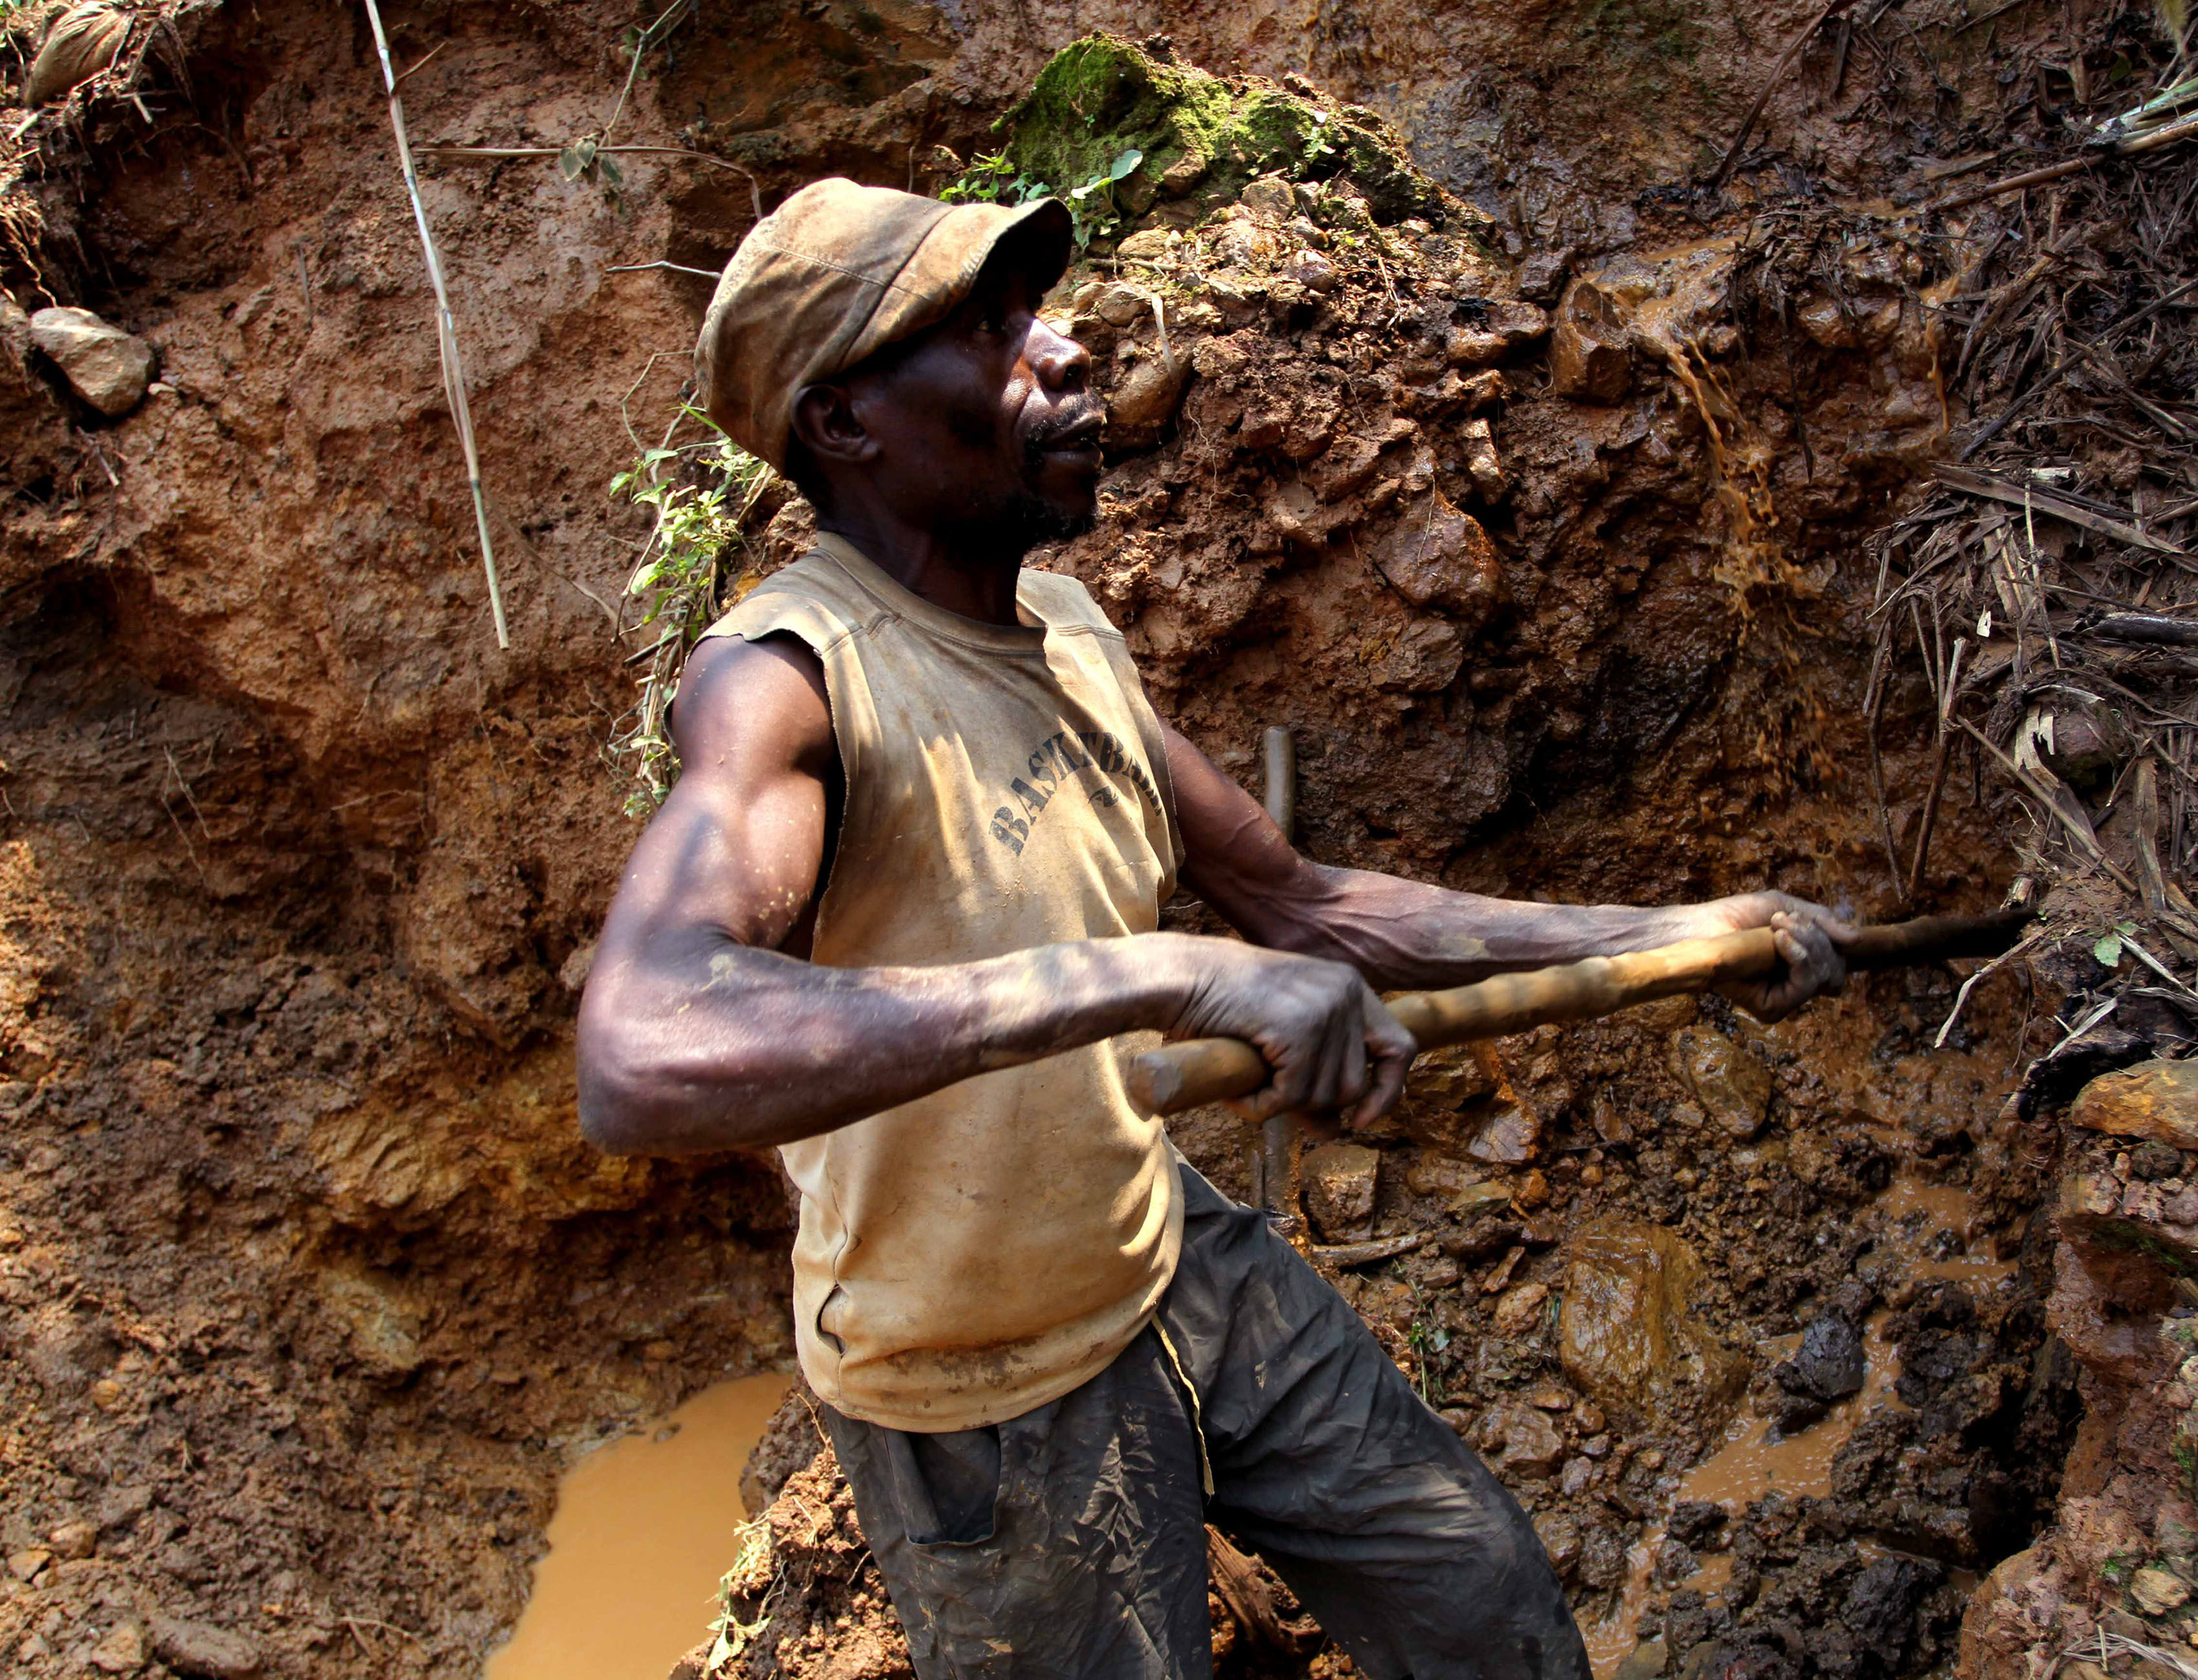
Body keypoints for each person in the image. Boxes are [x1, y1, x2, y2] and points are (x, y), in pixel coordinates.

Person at [575, 176, 1852, 1680]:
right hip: (980, 1385)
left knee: (1477, 1593)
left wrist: (1690, 924)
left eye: (1034, 312)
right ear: (847, 422)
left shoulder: (1070, 634)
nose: (1061, 352)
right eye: (988, 333)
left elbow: (1309, 906)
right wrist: (1173, 973)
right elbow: (643, 1049)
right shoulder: (793, 681)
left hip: (1174, 1260)